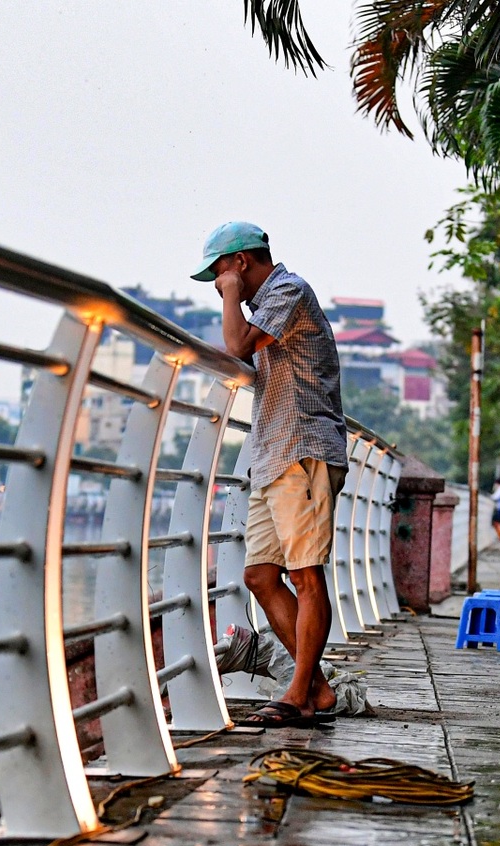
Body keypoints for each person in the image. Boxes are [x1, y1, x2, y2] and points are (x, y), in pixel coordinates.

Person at [194, 221, 346, 728]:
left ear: (240, 261)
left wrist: (230, 293)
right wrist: (233, 293)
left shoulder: (287, 291)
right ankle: (316, 688)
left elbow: (237, 345)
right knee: (259, 575)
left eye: (219, 270)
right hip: (272, 453)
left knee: (305, 574)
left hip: (302, 450)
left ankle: (299, 694)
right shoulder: (268, 306)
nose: (217, 281)